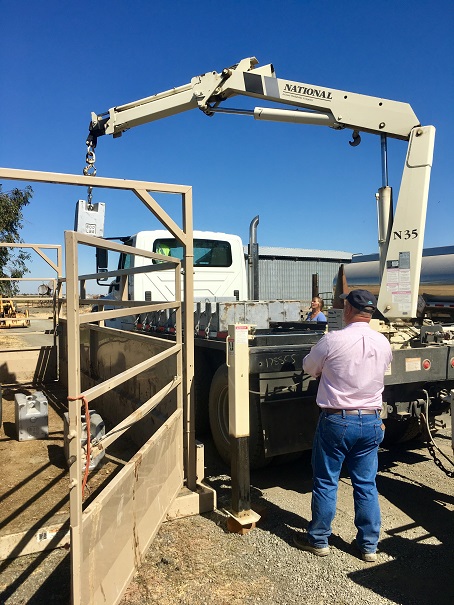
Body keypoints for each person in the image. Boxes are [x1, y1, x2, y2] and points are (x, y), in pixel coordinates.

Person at [294, 289, 392, 562]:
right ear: (370, 312)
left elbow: (308, 367)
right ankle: (369, 546)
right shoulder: (383, 342)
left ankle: (319, 539)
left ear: (348, 309)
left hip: (338, 419)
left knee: (326, 481)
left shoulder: (332, 340)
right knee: (366, 484)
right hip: (371, 420)